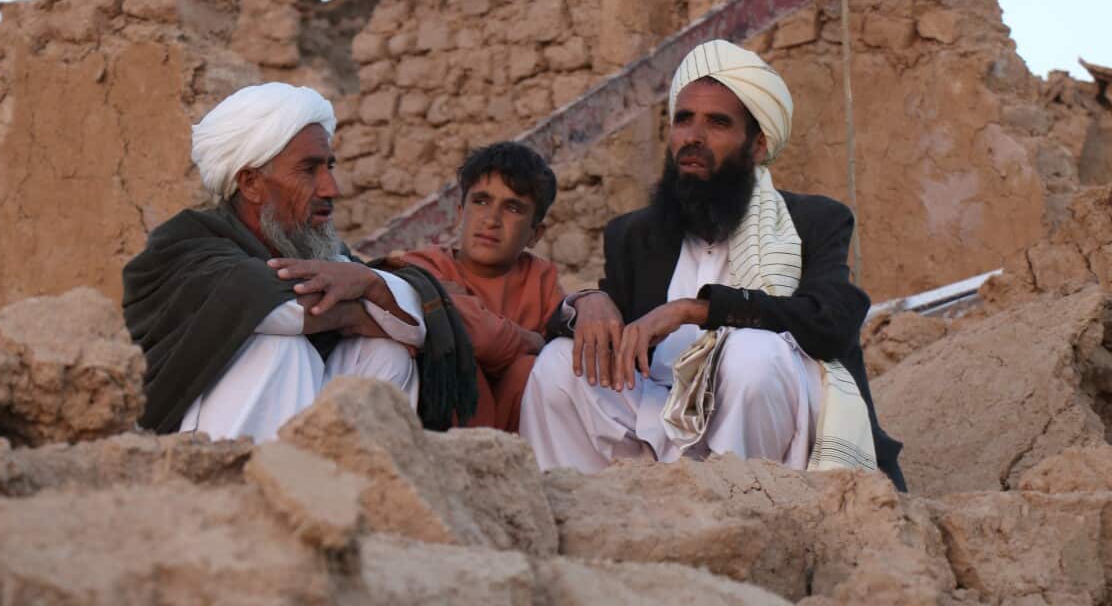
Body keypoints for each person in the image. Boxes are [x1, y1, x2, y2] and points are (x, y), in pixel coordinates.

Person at [519, 39, 904, 489]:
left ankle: (736, 511)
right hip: (658, 419)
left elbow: (833, 320)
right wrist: (588, 301)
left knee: (752, 353)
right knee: (560, 363)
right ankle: (574, 510)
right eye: (683, 120)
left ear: (757, 145)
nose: (693, 138)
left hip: (776, 436)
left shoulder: (813, 220)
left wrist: (693, 309)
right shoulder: (636, 234)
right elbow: (588, 324)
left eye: (717, 123)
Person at [123, 83, 453, 443]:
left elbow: (413, 323)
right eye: (309, 170)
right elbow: (277, 309)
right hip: (189, 443)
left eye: (329, 166)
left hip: (306, 442)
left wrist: (368, 281)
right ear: (250, 183)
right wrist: (355, 315)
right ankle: (239, 485)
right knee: (281, 345)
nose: (331, 188)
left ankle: (351, 490)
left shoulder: (311, 248)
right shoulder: (187, 242)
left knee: (386, 355)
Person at [402, 142, 566, 432]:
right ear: (459, 213)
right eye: (480, 201)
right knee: (457, 360)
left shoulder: (541, 280)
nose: (491, 220)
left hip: (518, 443)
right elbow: (481, 336)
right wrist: (532, 341)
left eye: (512, 208)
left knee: (531, 371)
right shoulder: (427, 267)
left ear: (535, 234)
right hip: (440, 436)